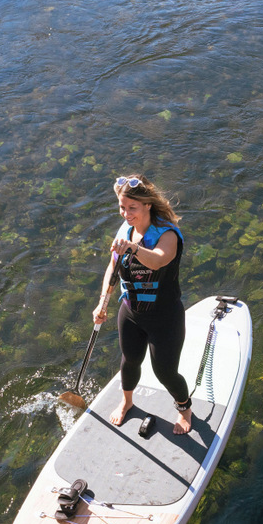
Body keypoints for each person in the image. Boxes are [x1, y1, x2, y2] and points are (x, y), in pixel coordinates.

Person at [92, 175, 194, 435]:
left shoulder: (167, 233)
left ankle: (185, 409)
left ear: (148, 204)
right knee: (129, 362)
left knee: (165, 372)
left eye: (132, 208)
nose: (125, 214)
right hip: (131, 312)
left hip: (164, 316)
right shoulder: (124, 231)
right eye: (122, 207)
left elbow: (159, 261)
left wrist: (133, 248)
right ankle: (127, 401)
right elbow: (113, 267)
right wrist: (103, 302)